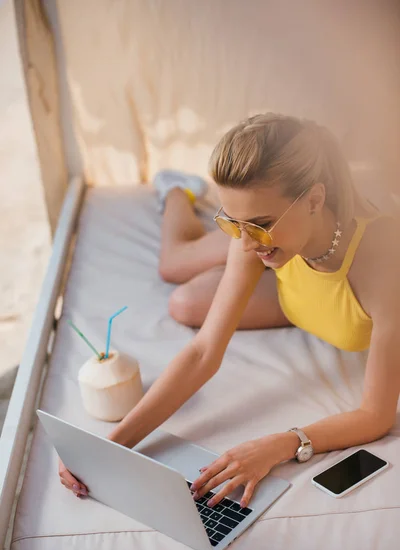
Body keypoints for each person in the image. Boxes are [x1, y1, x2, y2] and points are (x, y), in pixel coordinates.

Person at [59, 113, 400, 508]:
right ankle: (177, 191)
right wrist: (110, 447)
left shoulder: (381, 263)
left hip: (322, 293)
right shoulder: (254, 239)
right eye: (232, 223)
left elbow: (376, 415)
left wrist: (278, 444)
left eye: (259, 223)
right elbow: (203, 353)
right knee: (177, 280)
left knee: (188, 296)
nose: (245, 242)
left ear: (314, 200)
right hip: (293, 277)